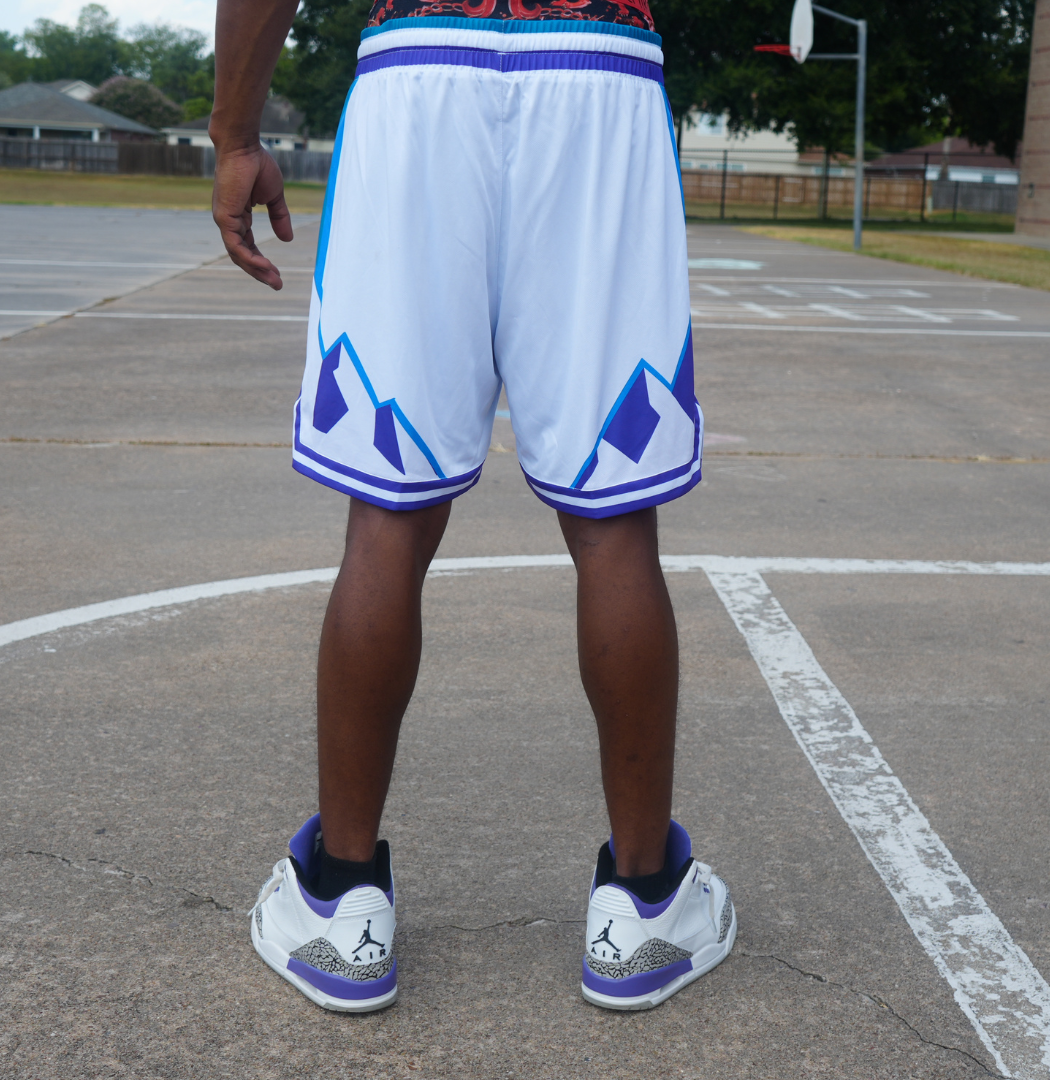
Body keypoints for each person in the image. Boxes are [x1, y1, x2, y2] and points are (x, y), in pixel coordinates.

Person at [212, 0, 735, 1014]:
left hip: (419, 74)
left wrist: (235, 133)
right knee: (614, 517)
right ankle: (641, 906)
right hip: (599, 74)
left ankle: (341, 905)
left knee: (388, 509)